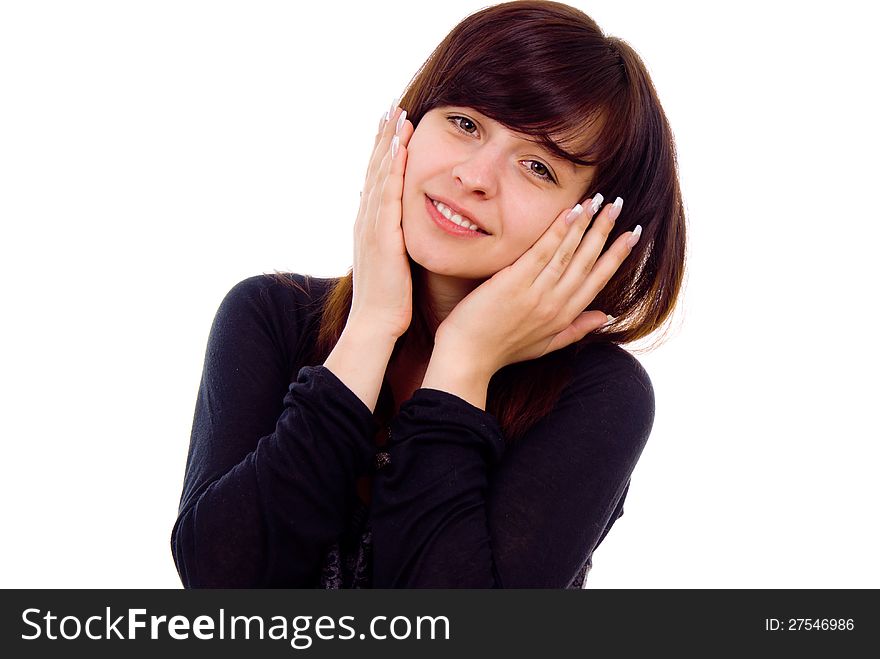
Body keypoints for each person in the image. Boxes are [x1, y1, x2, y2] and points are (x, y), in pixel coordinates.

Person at [171, 0, 686, 588]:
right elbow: (218, 585)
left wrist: (462, 363)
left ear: (596, 230)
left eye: (538, 166)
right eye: (465, 123)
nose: (474, 176)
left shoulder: (599, 393)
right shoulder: (270, 316)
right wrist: (372, 323)